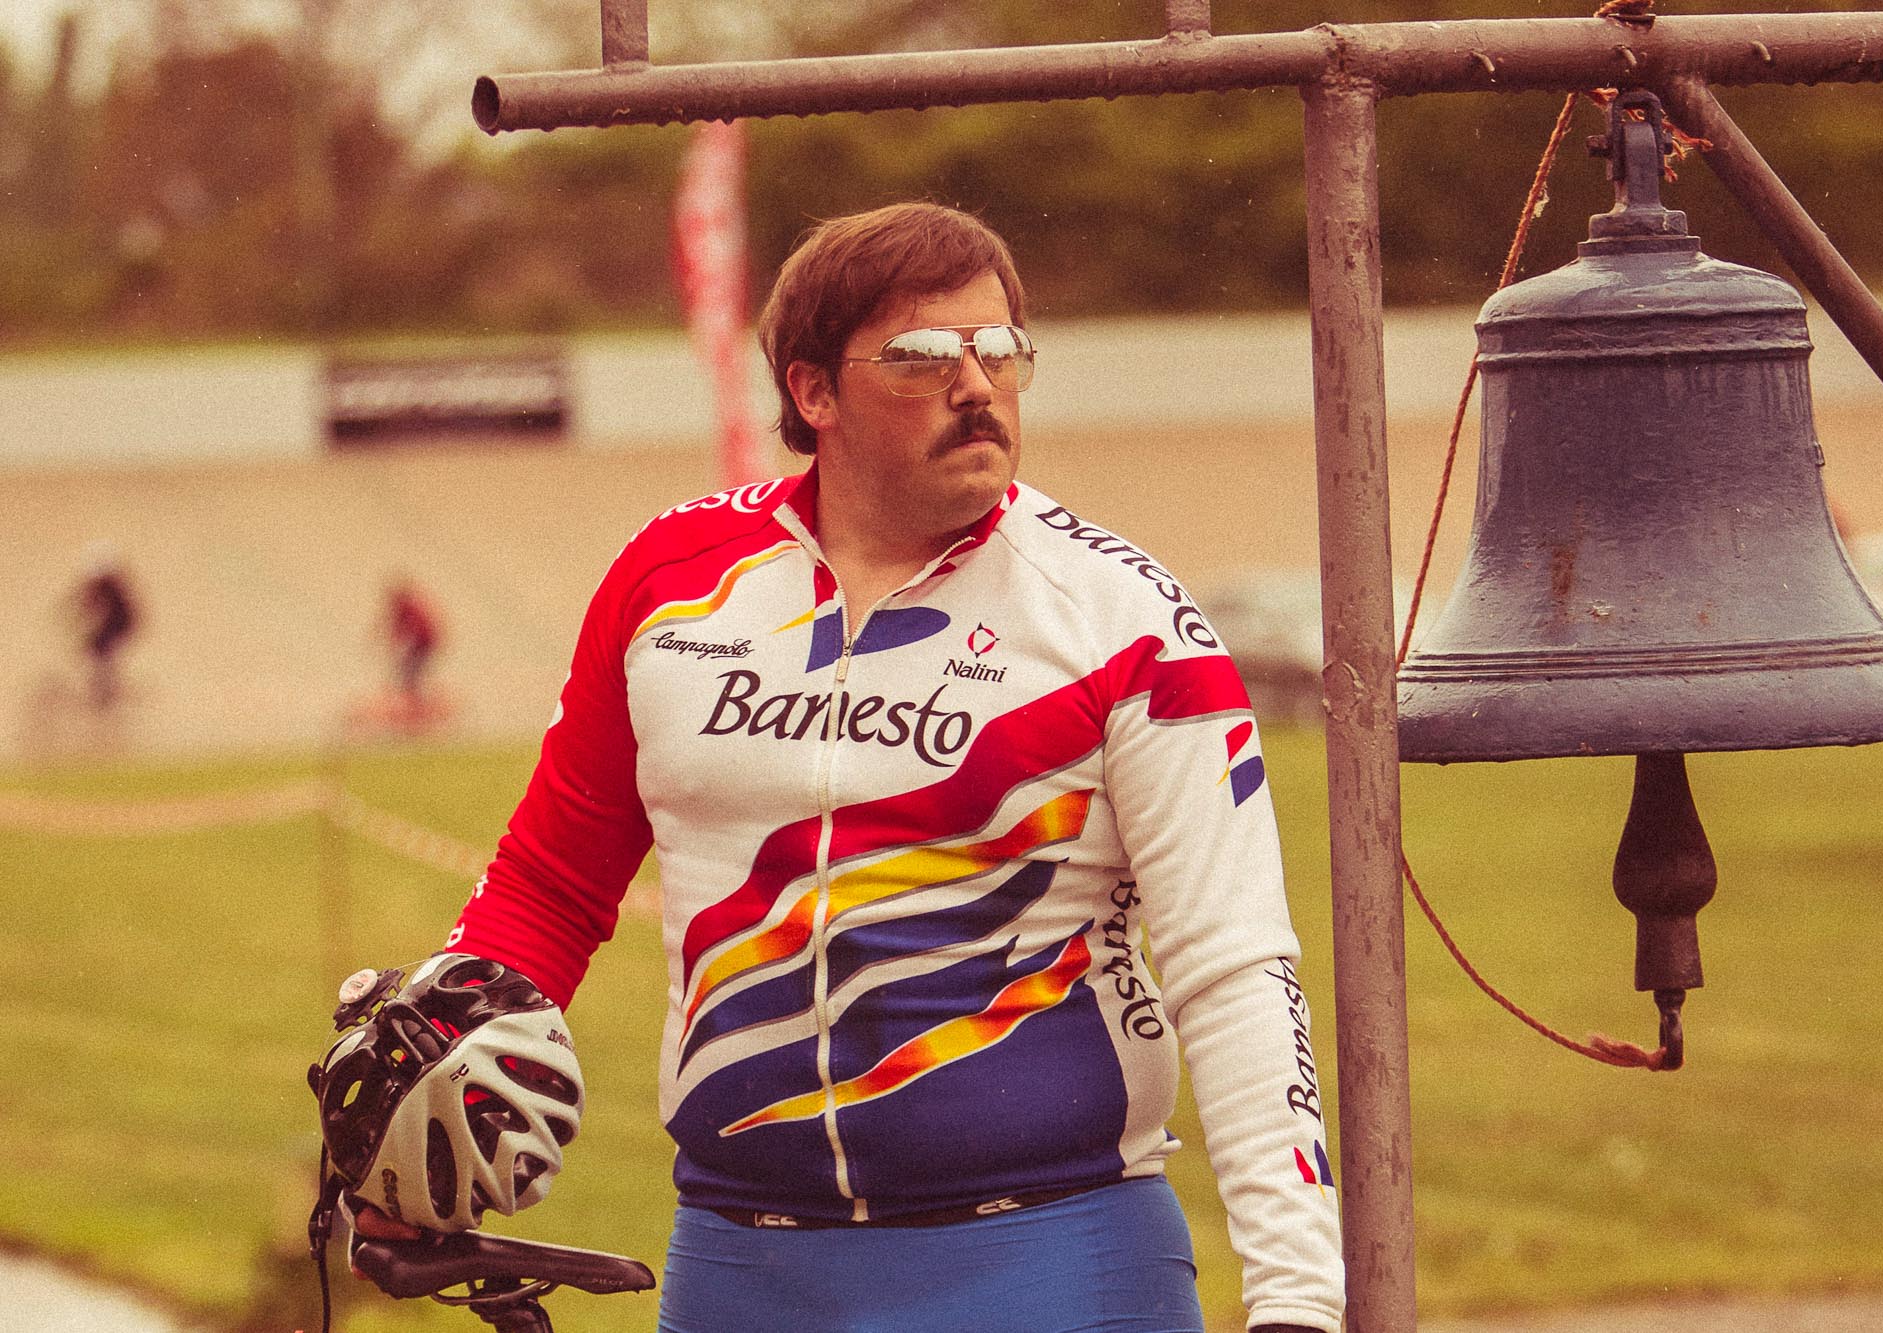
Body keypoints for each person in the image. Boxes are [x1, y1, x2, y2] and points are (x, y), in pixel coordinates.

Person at [344, 202, 1345, 1332]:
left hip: (1051, 1252)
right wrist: (436, 1089)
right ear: (811, 390)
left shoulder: (1124, 621)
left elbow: (1232, 965)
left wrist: (1299, 1299)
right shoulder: (665, 583)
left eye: (1001, 350)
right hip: (742, 1259)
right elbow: (548, 887)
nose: (976, 384)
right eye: (922, 356)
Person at [75, 544, 140, 709]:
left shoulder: (109, 588)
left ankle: (105, 691)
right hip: (116, 626)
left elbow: (94, 607)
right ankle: (105, 688)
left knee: (101, 653)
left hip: (118, 625)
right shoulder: (113, 587)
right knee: (100, 654)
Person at [382, 577, 441, 711]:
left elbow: (415, 631)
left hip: (423, 644)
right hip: (421, 645)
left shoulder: (409, 609)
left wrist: (399, 646)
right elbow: (395, 629)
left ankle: (418, 706)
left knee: (409, 675)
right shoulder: (403, 610)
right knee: (408, 675)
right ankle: (416, 703)